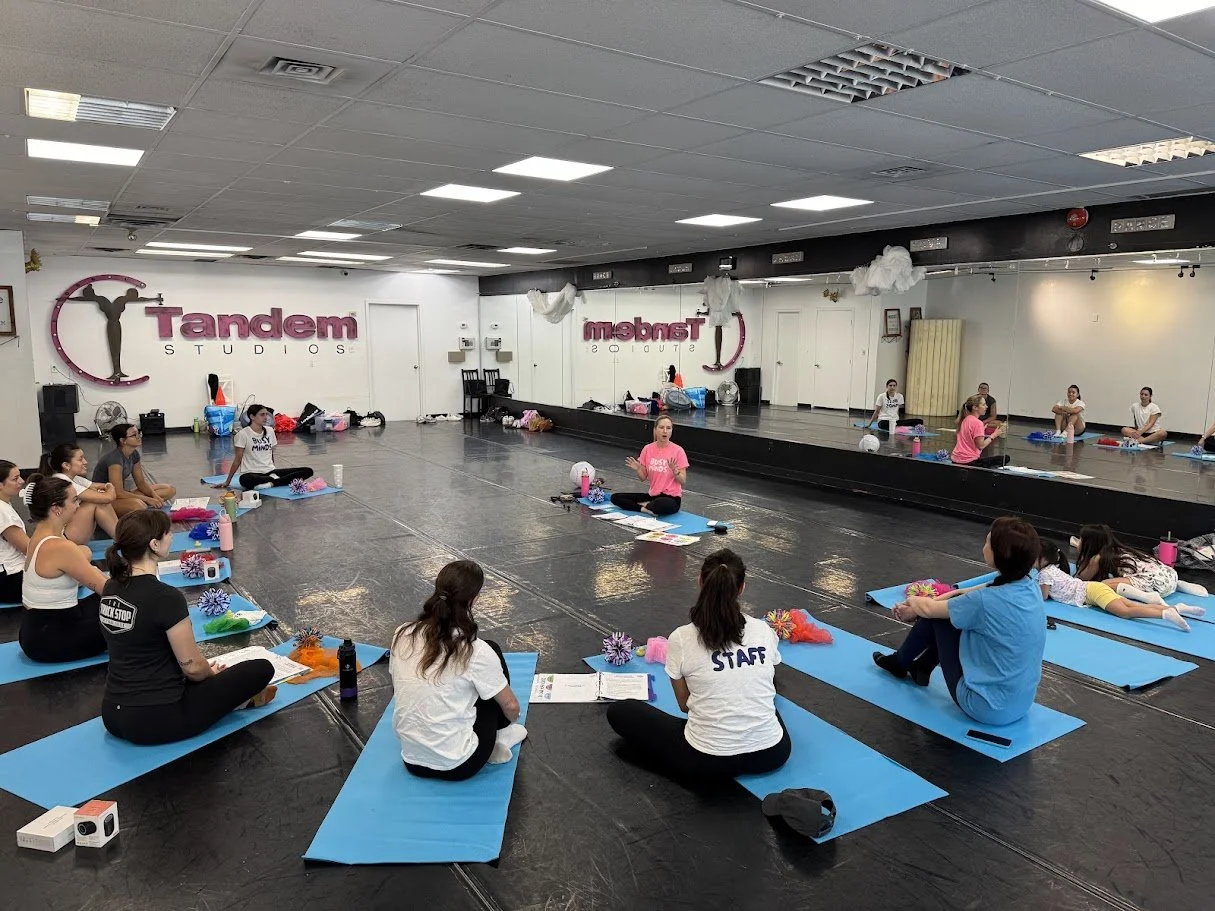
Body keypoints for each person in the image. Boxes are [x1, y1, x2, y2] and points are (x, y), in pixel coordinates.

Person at [606, 549, 791, 778]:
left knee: (621, 711)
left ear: (700, 582)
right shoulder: (764, 630)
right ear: (742, 588)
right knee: (761, 703)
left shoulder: (682, 638)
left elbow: (685, 706)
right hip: (773, 753)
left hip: (706, 759)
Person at [99, 510, 276, 745]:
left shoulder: (111, 587)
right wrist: (211, 673)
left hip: (112, 713)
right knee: (261, 668)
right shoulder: (165, 597)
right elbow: (192, 669)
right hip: (157, 719)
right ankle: (237, 702)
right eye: (167, 533)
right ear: (154, 544)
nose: (171, 537)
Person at [873, 517, 1045, 726]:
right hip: (1020, 705)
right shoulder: (1029, 585)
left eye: (988, 541)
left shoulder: (984, 602)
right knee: (948, 610)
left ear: (999, 553)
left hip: (985, 708)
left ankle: (901, 662)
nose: (985, 544)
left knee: (940, 618)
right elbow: (961, 593)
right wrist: (922, 606)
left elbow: (932, 609)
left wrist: (911, 602)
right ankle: (920, 667)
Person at [390, 560, 527, 781]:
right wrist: (511, 719)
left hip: (412, 760)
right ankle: (502, 737)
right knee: (491, 670)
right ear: (474, 599)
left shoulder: (401, 633)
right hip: (460, 765)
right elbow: (511, 706)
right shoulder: (476, 650)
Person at [20, 477, 109, 663]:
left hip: (37, 629)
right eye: (74, 500)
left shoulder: (40, 535)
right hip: (48, 639)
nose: (78, 505)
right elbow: (107, 589)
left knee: (112, 604)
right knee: (131, 620)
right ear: (56, 508)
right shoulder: (59, 546)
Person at [1037, 539, 1199, 631]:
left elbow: (1043, 597)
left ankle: (1164, 615)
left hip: (1093, 592)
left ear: (1043, 559)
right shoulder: (1054, 568)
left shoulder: (1044, 574)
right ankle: (1176, 609)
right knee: (1131, 605)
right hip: (1094, 589)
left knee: (1126, 612)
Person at [1074, 523, 1208, 605]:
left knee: (1102, 586)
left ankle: (1147, 598)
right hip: (1170, 574)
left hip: (1156, 583)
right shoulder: (1118, 550)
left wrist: (1082, 555)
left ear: (1089, 543)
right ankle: (1177, 585)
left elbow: (1081, 579)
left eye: (1081, 539)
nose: (1078, 542)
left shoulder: (1098, 558)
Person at [29, 444, 119, 544]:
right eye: (80, 459)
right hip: (64, 536)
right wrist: (109, 488)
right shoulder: (63, 481)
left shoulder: (74, 478)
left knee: (98, 499)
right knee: (95, 502)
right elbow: (108, 497)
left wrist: (104, 490)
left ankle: (122, 537)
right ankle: (123, 539)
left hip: (68, 530)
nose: (85, 462)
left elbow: (100, 487)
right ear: (66, 465)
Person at [212, 404, 312, 490]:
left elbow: (270, 453)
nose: (265, 417)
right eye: (262, 414)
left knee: (308, 471)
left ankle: (272, 482)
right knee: (244, 480)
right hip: (252, 473)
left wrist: (274, 469)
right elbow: (237, 460)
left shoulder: (270, 431)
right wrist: (227, 481)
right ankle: (276, 481)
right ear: (252, 417)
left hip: (270, 472)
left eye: (266, 414)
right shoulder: (242, 434)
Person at [611, 415, 689, 516]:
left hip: (671, 498)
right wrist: (638, 468)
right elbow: (643, 477)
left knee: (661, 504)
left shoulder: (678, 451)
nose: (665, 431)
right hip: (653, 496)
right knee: (616, 497)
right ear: (655, 430)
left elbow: (682, 481)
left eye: (668, 428)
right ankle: (645, 509)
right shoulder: (647, 449)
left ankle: (646, 506)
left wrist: (675, 471)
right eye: (661, 427)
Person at [93, 424, 177, 517]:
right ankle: (135, 506)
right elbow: (118, 493)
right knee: (138, 505)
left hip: (121, 494)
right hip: (107, 499)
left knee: (169, 490)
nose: (138, 437)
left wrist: (154, 496)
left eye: (138, 433)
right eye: (134, 435)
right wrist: (148, 499)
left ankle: (139, 505)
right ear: (123, 441)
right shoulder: (115, 460)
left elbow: (141, 483)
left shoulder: (134, 454)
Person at [952, 394, 1009, 468]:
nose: (986, 407)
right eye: (983, 405)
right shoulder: (977, 423)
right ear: (975, 407)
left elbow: (969, 436)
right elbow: (981, 446)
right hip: (969, 462)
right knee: (1006, 458)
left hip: (955, 459)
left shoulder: (965, 419)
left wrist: (982, 429)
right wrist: (994, 434)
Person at [0, 461, 30, 604]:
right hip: (9, 580)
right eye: (15, 479)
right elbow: (29, 549)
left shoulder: (4, 505)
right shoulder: (2, 511)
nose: (22, 481)